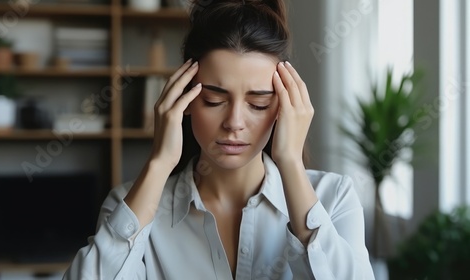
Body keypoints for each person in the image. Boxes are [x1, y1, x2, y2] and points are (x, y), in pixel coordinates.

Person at [64, 0, 375, 279]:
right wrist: (159, 163)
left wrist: (291, 163)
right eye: (214, 100)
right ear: (183, 100)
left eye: (259, 104)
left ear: (284, 106)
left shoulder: (334, 199)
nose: (234, 123)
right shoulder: (130, 205)